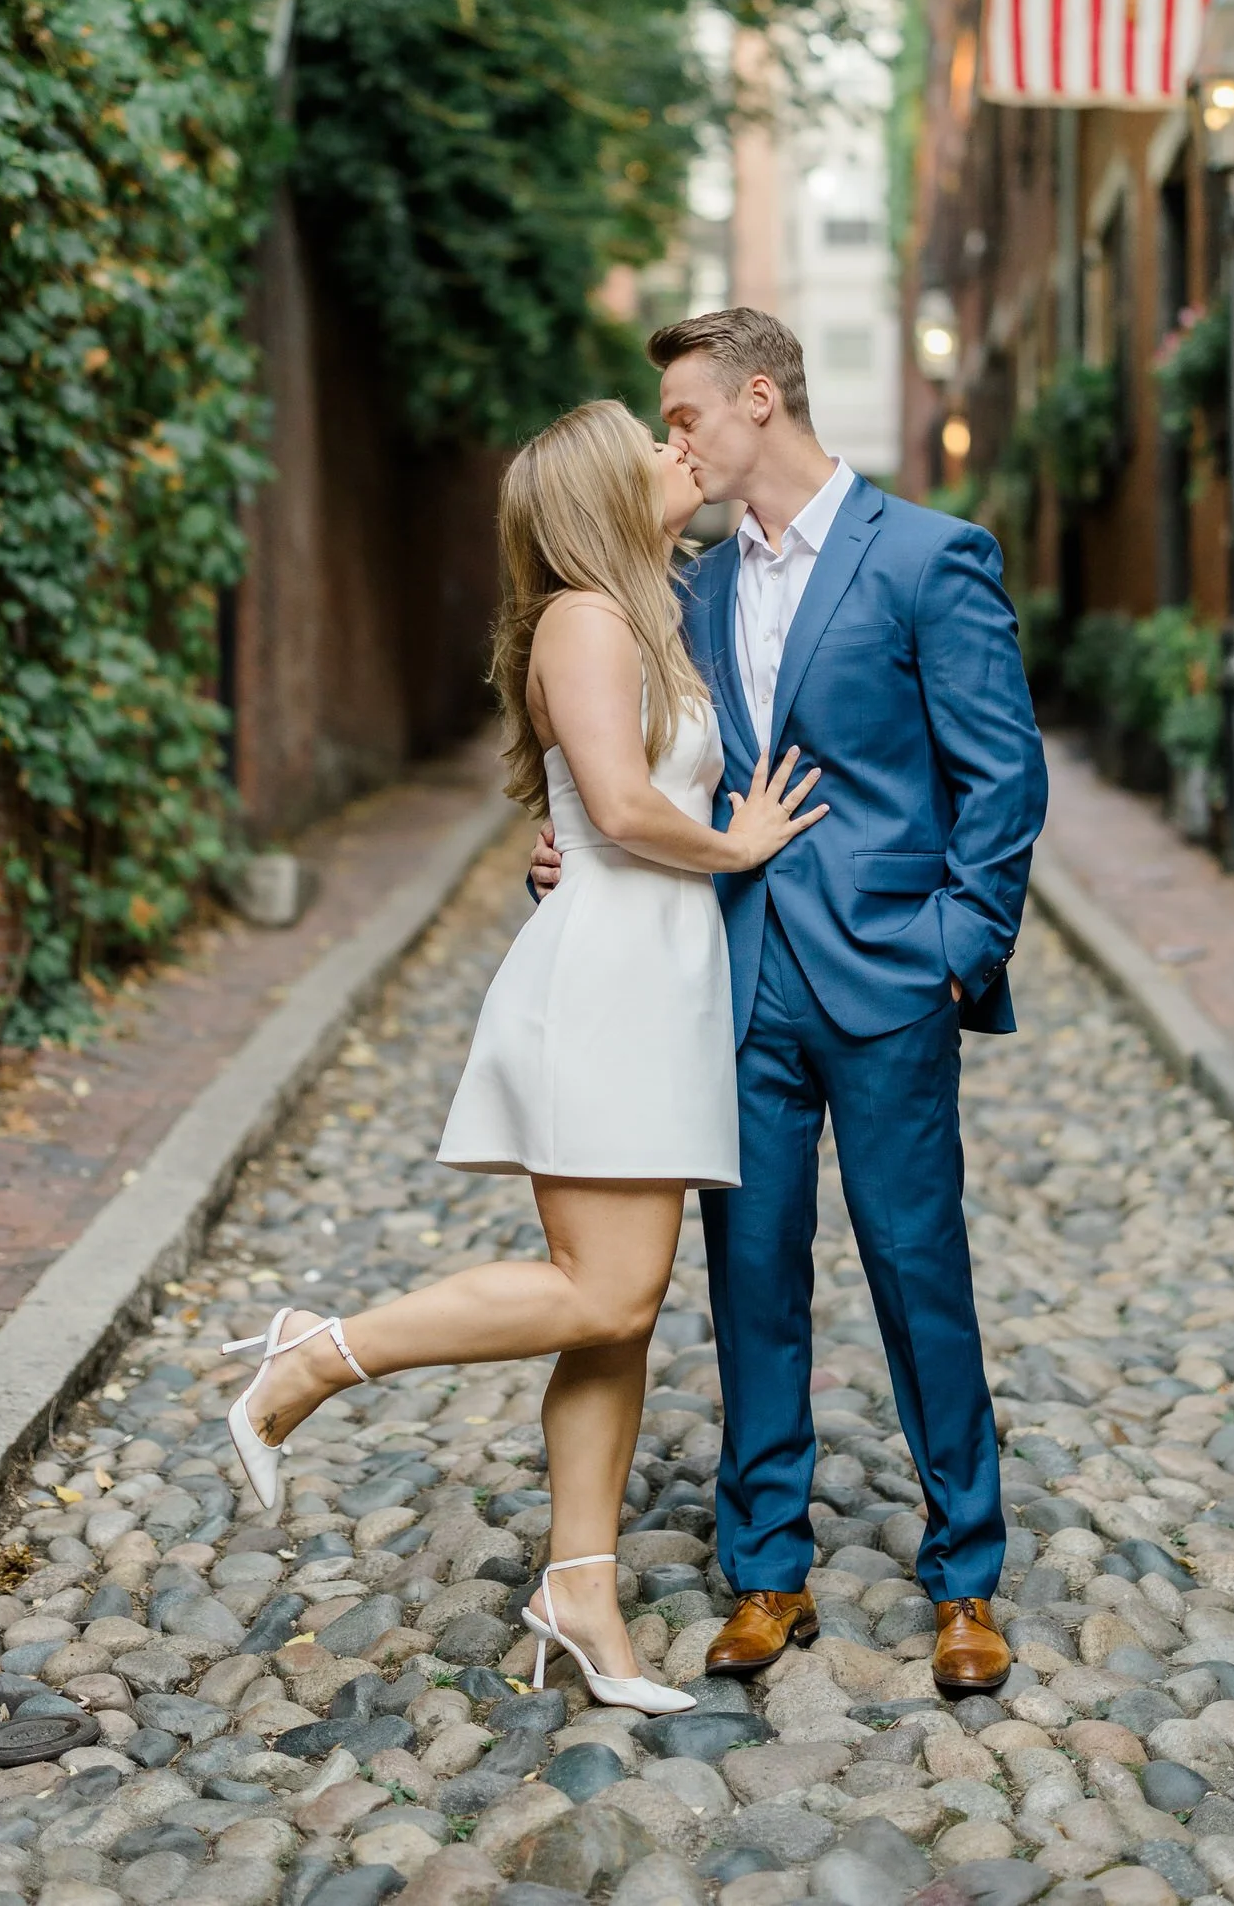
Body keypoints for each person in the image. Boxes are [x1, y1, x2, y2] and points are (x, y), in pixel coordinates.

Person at [224, 398, 826, 1715]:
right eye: (654, 449)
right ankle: (317, 1352)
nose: (682, 454)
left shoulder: (638, 616)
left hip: (653, 981)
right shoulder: (585, 618)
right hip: (609, 986)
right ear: (605, 498)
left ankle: (581, 1595)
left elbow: (599, 810)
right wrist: (738, 843)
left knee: (619, 1311)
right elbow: (616, 805)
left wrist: (634, 834)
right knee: (601, 1293)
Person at [530, 310, 1047, 1696]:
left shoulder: (929, 557)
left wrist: (954, 945)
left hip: (888, 981)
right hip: (733, 982)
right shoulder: (680, 589)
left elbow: (1001, 776)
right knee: (748, 1280)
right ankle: (765, 1571)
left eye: (684, 414)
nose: (672, 441)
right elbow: (636, 770)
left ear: (760, 400)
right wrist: (567, 842)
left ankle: (964, 1577)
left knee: (913, 1271)